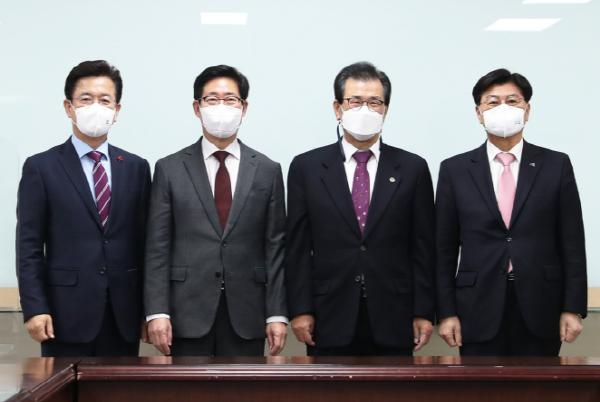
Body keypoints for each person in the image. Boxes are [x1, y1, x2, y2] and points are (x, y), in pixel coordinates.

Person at [285, 62, 435, 356]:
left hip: (395, 313)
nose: (365, 109)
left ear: (385, 109)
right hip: (328, 313)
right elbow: (298, 248)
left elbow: (423, 248)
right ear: (338, 108)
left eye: (374, 102)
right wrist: (301, 309)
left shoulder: (413, 168)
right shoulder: (306, 167)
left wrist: (423, 311)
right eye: (355, 101)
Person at [436, 68, 587, 356]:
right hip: (475, 306)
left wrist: (573, 307)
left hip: (542, 304)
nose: (503, 108)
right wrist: (446, 312)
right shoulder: (454, 169)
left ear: (527, 110)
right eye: (493, 102)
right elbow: (443, 249)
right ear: (479, 113)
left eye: (512, 101)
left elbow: (572, 242)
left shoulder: (556, 165)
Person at [144, 65, 287, 357]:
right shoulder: (169, 169)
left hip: (248, 312)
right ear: (197, 108)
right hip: (185, 313)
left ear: (244, 107)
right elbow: (157, 247)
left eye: (230, 99)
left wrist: (277, 313)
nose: (221, 106)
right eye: (212, 99)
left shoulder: (267, 170)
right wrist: (157, 311)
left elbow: (275, 247)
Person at [16, 60, 151, 357]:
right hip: (64, 314)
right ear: (69, 107)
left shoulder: (136, 167)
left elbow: (145, 244)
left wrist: (149, 310)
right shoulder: (41, 167)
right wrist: (35, 308)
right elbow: (29, 247)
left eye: (105, 100)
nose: (96, 107)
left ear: (116, 110)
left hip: (123, 315)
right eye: (86, 99)